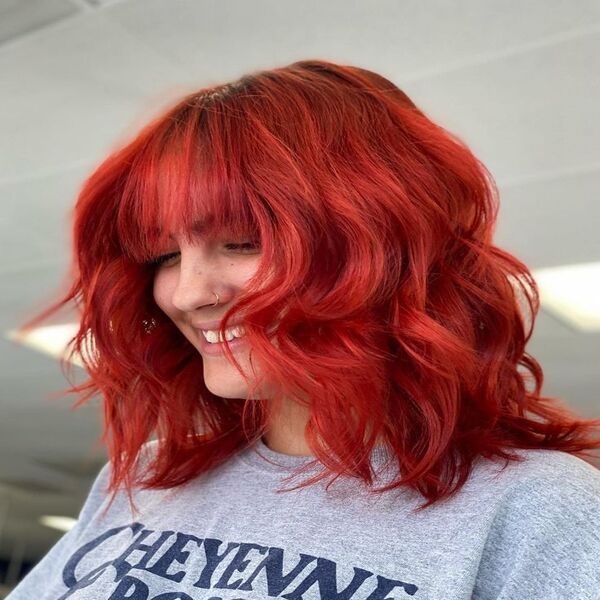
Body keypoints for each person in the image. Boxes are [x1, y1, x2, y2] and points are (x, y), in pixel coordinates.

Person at [7, 59, 600, 600]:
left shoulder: (538, 508)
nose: (186, 293)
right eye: (162, 253)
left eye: (243, 241)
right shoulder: (140, 478)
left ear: (386, 244)